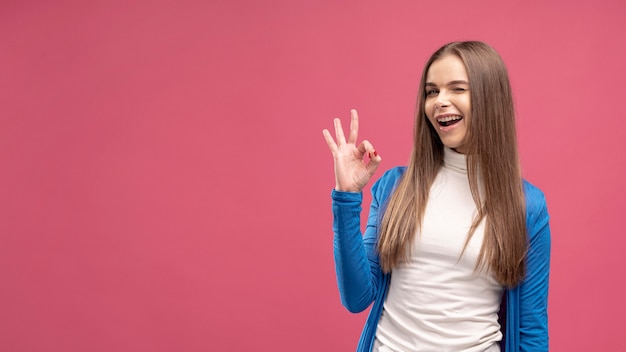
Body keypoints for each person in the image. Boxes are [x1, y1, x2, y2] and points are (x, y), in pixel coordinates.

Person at [322, 41, 550, 352]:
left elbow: (530, 331)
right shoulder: (395, 187)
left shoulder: (527, 207)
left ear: (490, 98)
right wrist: (346, 198)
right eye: (432, 91)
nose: (440, 101)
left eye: (457, 89)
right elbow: (356, 296)